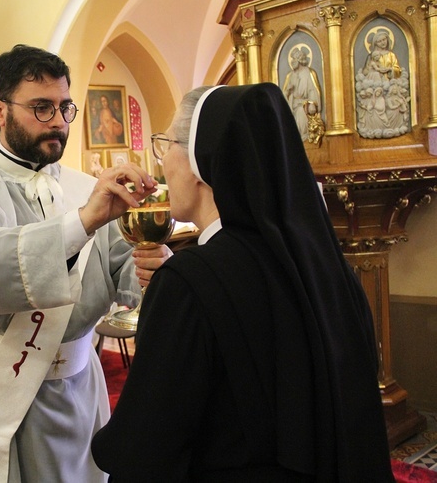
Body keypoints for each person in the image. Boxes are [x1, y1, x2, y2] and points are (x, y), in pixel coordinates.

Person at [91, 83, 394, 482]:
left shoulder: (188, 283)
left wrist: (99, 445)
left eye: (166, 145)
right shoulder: (327, 270)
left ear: (201, 160)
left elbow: (146, 444)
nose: (162, 162)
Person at [0, 44, 170, 482]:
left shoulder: (83, 189)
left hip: (76, 385)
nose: (58, 121)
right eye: (41, 108)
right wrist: (81, 223)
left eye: (64, 107)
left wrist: (154, 270)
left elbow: (122, 270)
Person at [282, 47, 322, 142]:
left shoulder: (309, 73)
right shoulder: (290, 75)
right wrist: (288, 90)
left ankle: (302, 137)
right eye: (292, 59)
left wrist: (312, 103)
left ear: (300, 59)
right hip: (292, 104)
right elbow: (284, 93)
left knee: (300, 112)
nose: (292, 62)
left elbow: (313, 90)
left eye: (294, 59)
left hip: (304, 105)